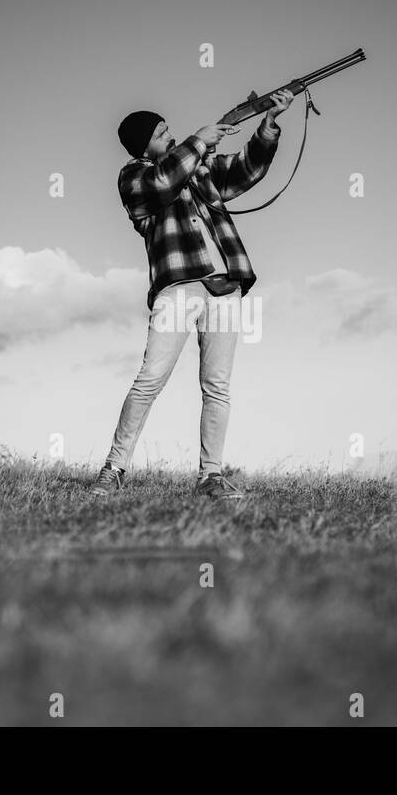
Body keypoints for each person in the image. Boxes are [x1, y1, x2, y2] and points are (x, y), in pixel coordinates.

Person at [91, 89, 295, 499]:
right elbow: (163, 180)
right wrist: (200, 140)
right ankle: (114, 468)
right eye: (161, 132)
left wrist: (268, 124)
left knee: (217, 386)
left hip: (225, 287)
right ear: (142, 144)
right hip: (178, 288)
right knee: (150, 380)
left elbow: (245, 171)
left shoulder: (196, 166)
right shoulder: (134, 178)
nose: (170, 134)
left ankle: (211, 476)